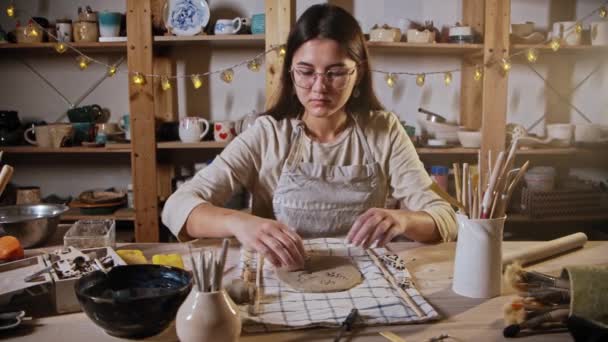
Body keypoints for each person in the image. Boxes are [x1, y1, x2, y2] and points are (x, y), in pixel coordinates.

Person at [162, 4, 456, 269]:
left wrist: (403, 219)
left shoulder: (384, 130)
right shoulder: (268, 134)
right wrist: (239, 223)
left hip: (367, 277)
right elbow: (177, 206)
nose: (319, 87)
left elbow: (445, 218)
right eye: (306, 72)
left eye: (335, 73)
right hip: (283, 279)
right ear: (291, 74)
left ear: (359, 73)